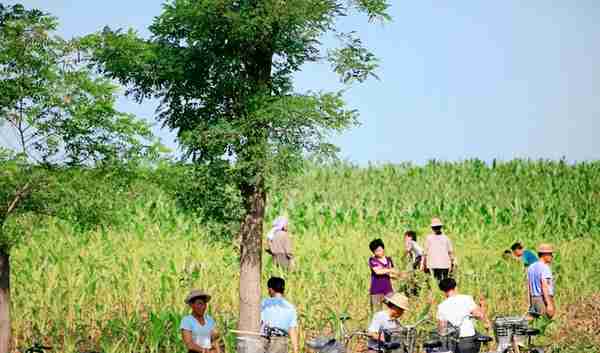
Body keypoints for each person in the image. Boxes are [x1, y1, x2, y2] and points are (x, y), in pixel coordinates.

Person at [437, 278, 490, 353]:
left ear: (443, 291)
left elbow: (442, 330)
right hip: (469, 339)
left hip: (454, 343)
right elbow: (479, 315)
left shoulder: (441, 306)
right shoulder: (466, 299)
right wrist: (481, 308)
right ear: (455, 287)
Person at [260, 277, 299, 353]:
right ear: (283, 289)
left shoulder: (264, 303)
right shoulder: (290, 307)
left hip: (263, 339)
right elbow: (292, 330)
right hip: (280, 341)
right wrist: (295, 350)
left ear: (270, 289)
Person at [527, 243, 556, 319]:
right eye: (550, 254)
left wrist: (531, 303)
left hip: (534, 299)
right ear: (544, 255)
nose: (552, 256)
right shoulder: (545, 267)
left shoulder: (531, 267)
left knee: (536, 324)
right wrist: (549, 304)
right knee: (544, 323)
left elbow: (529, 287)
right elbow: (544, 286)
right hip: (542, 299)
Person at [369, 238, 397, 312]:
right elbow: (378, 271)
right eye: (376, 251)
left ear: (383, 248)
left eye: (380, 250)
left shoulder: (389, 260)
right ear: (373, 252)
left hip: (388, 290)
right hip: (376, 291)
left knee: (394, 309)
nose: (379, 252)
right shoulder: (372, 260)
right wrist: (390, 270)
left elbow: (391, 274)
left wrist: (398, 275)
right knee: (377, 313)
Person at [424, 218, 454, 282]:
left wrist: (424, 264)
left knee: (438, 280)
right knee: (445, 281)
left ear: (432, 228)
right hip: (444, 264)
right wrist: (452, 264)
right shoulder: (446, 238)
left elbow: (425, 253)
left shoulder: (429, 238)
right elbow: (450, 253)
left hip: (435, 264)